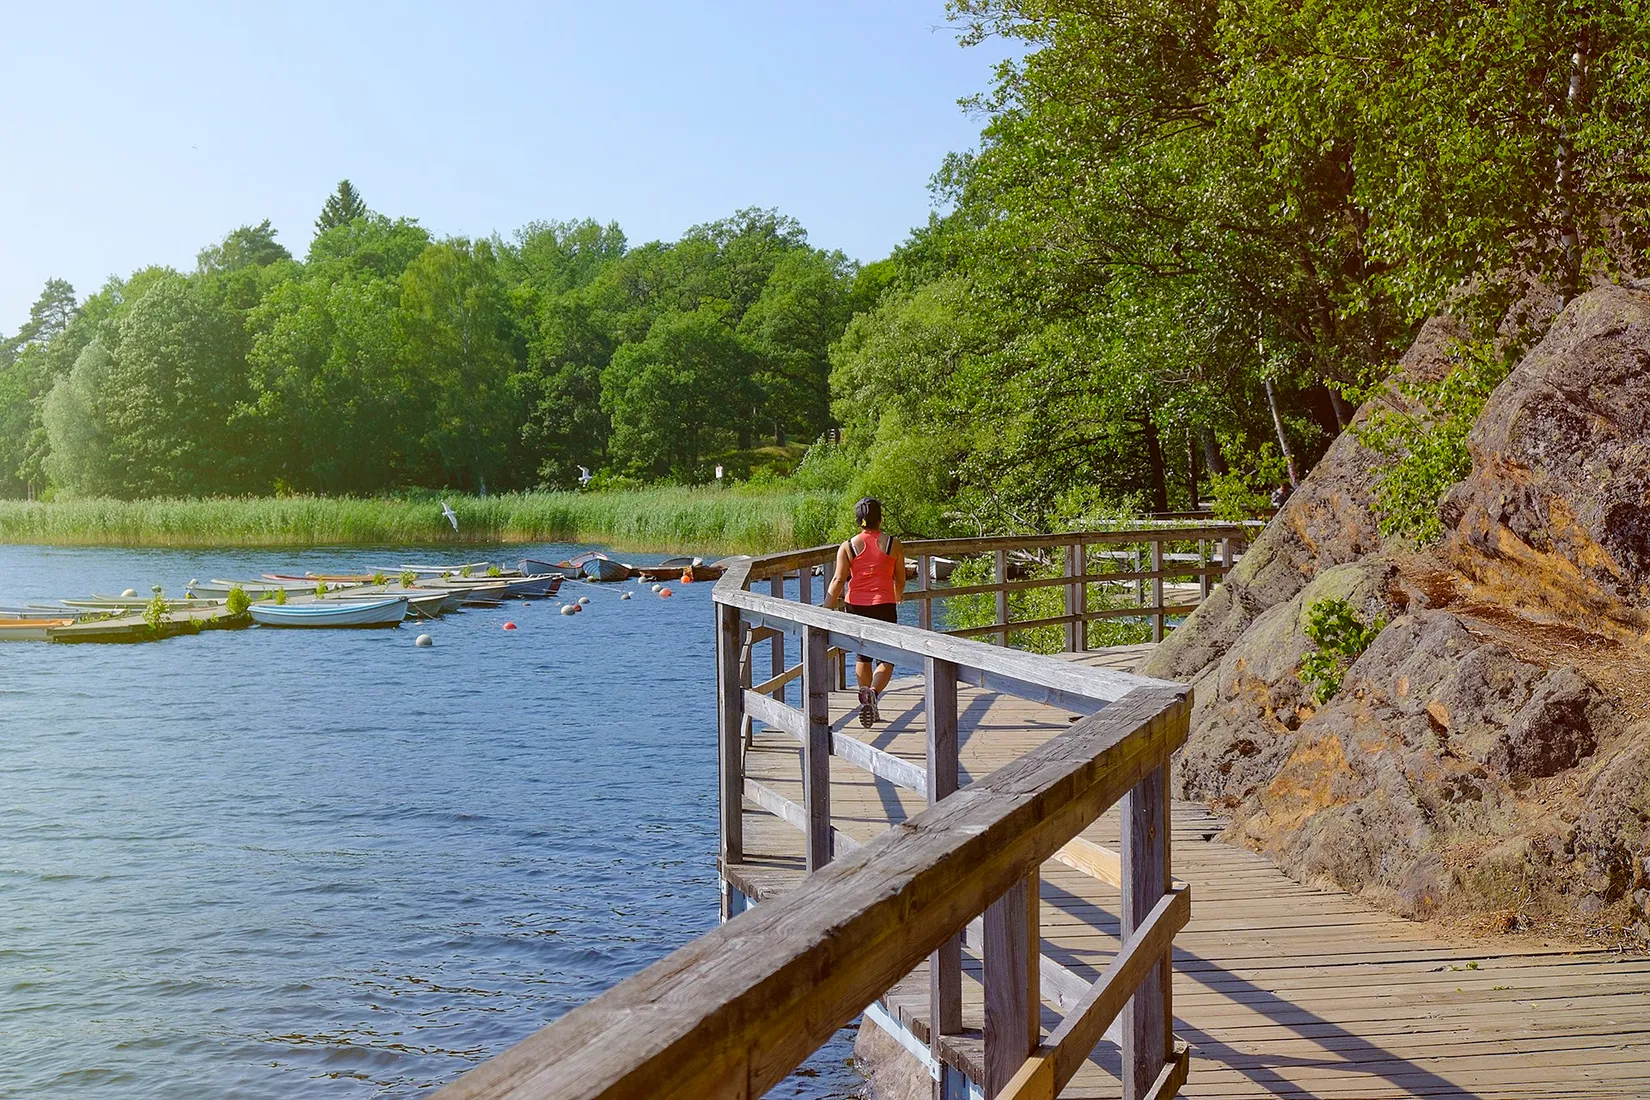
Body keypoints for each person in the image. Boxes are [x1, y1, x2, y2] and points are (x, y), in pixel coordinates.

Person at [825, 497, 906, 727]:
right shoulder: (893, 544)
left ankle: (867, 698)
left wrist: (825, 609)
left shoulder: (848, 546)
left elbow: (838, 579)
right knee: (888, 659)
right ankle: (873, 693)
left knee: (862, 655)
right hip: (884, 604)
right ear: (880, 519)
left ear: (858, 520)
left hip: (855, 606)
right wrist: (897, 595)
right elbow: (900, 579)